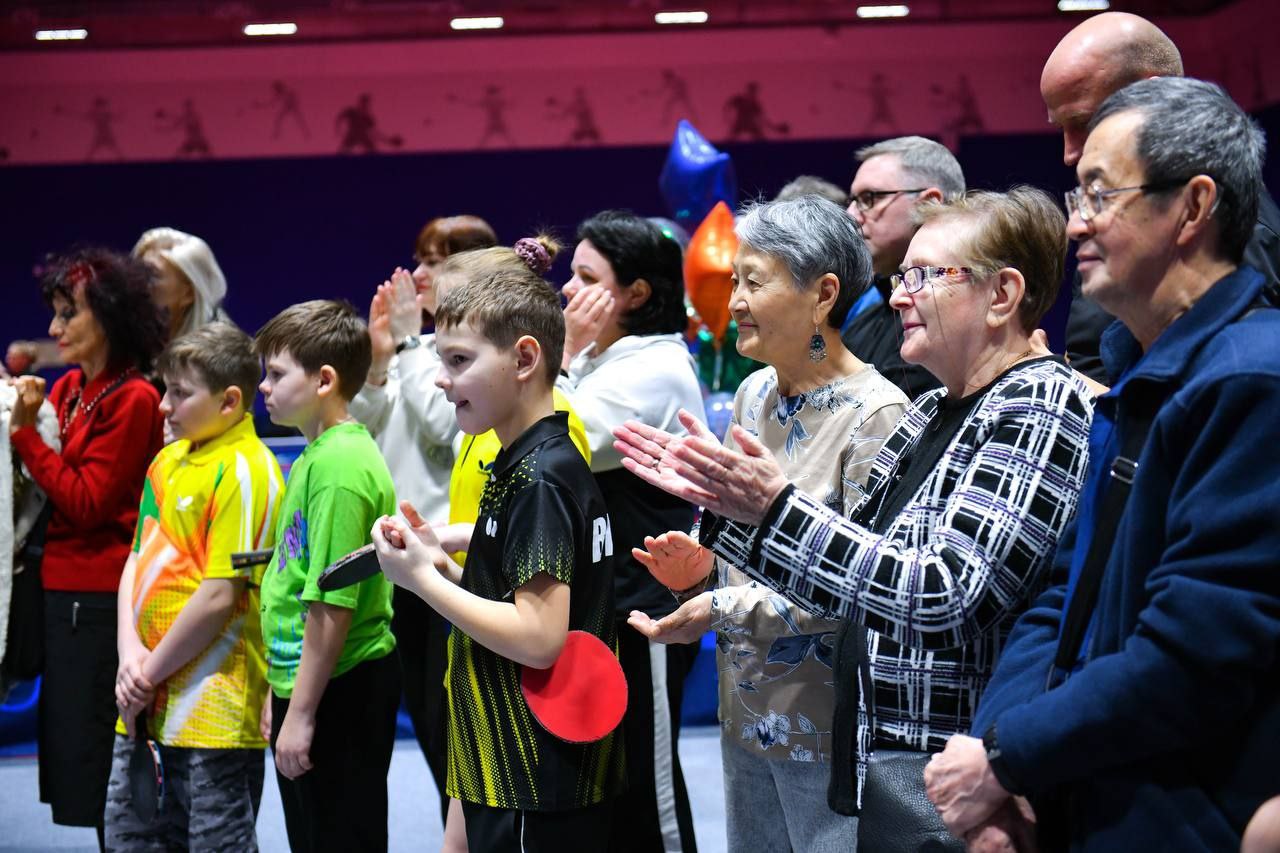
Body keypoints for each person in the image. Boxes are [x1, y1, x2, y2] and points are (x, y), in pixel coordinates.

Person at [614, 188, 1093, 825]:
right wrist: (722, 522)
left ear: (1002, 296)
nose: (897, 296)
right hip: (872, 751)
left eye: (923, 276)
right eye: (902, 277)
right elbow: (843, 576)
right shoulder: (932, 410)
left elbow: (943, 595)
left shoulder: (1034, 403)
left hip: (951, 767)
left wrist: (766, 515)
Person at [924, 78, 1280, 851]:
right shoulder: (1139, 376)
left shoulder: (1253, 381)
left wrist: (1009, 760)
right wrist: (1001, 766)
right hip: (1088, 797)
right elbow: (1060, 602)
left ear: (1191, 207)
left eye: (1097, 195)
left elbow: (1192, 660)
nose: (1074, 224)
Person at [627, 195, 908, 851]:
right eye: (735, 282)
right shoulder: (756, 393)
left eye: (755, 281)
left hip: (829, 723)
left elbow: (862, 590)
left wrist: (718, 604)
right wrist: (699, 574)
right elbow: (744, 542)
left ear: (822, 294)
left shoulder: (877, 414)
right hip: (747, 706)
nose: (737, 301)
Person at [370, 238, 626, 851]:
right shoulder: (518, 462)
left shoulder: (539, 478)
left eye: (458, 360)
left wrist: (422, 582)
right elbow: (508, 603)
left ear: (524, 359)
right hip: (505, 769)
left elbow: (539, 640)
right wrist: (441, 561)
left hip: (532, 777)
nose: (440, 378)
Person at [557, 210, 706, 852]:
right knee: (612, 790)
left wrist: (559, 358)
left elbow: (555, 448)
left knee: (650, 792)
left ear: (636, 293)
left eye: (586, 276)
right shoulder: (609, 359)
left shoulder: (653, 367)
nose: (566, 290)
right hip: (603, 603)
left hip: (646, 609)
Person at [7, 249, 166, 846]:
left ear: (109, 314)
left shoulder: (135, 399)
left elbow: (87, 501)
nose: (54, 330)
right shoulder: (71, 387)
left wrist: (24, 434)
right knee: (80, 755)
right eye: (54, 314)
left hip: (102, 601)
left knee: (105, 757)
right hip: (60, 594)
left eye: (68, 314)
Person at [105, 323, 284, 851]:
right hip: (142, 700)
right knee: (128, 839)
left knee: (214, 844)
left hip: (212, 714)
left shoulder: (250, 470)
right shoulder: (167, 460)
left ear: (230, 401)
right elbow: (136, 557)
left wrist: (147, 673)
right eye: (166, 389)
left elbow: (220, 595)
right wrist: (130, 653)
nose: (163, 405)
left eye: (180, 393)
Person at [350, 213, 497, 830]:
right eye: (420, 257)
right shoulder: (421, 352)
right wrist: (380, 363)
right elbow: (366, 426)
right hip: (405, 563)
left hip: (452, 567)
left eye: (437, 260)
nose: (419, 273)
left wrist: (412, 345)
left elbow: (446, 431)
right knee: (432, 731)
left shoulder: (471, 357)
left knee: (456, 737)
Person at [1040, 11, 1280, 383]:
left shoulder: (1253, 372)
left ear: (1195, 207)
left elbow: (1185, 395)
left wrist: (1049, 382)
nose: (1068, 153)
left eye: (1084, 121)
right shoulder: (1118, 228)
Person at [254, 300, 400, 852]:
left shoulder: (339, 469)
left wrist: (304, 712)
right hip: (313, 682)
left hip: (341, 687)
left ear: (324, 380)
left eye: (275, 374)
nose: (263, 387)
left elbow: (333, 602)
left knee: (338, 837)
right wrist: (283, 689)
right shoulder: (320, 453)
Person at [843, 136, 962, 400]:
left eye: (869, 198)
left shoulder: (960, 320)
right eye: (853, 200)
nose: (851, 216)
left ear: (930, 203)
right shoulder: (866, 318)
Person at [132, 228, 232, 343]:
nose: (136, 282)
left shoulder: (223, 358)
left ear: (188, 294)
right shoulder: (118, 343)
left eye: (152, 275)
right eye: (136, 270)